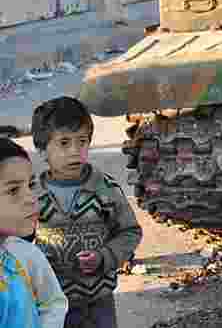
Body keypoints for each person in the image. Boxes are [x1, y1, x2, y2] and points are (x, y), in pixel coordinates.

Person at [32, 97, 142, 328]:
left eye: (82, 141)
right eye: (64, 143)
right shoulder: (32, 195)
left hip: (98, 302)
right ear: (42, 150)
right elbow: (16, 242)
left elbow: (130, 232)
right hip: (51, 301)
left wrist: (104, 257)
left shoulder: (105, 189)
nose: (75, 151)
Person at [0, 138, 68, 328]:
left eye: (30, 185)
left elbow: (53, 303)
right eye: (13, 190)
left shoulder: (26, 255)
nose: (31, 198)